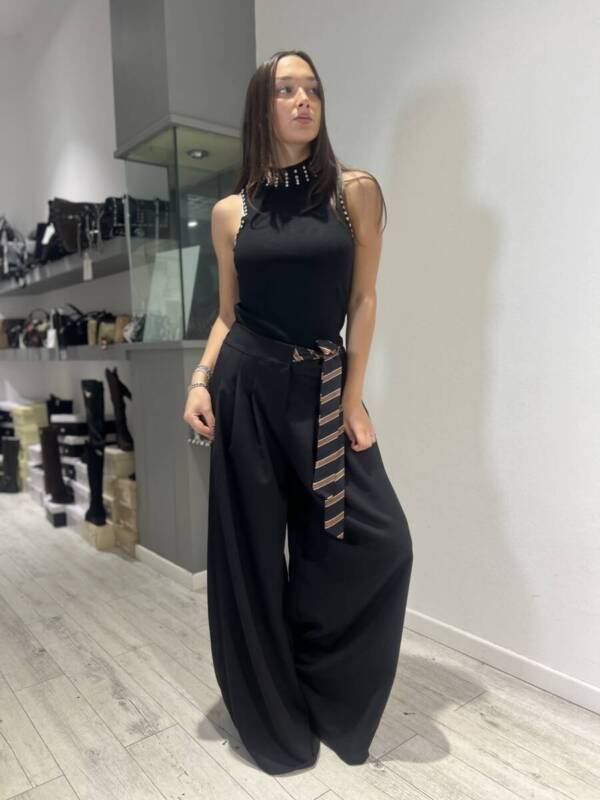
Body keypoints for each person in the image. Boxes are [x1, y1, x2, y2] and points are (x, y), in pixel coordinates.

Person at [183, 49, 413, 775]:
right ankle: (273, 719)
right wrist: (200, 381)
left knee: (379, 543)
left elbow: (363, 300)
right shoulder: (232, 212)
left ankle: (327, 698)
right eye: (286, 89)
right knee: (251, 556)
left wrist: (352, 399)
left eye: (312, 88)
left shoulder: (354, 193)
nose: (303, 99)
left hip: (321, 390)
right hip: (246, 389)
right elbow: (228, 315)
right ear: (263, 106)